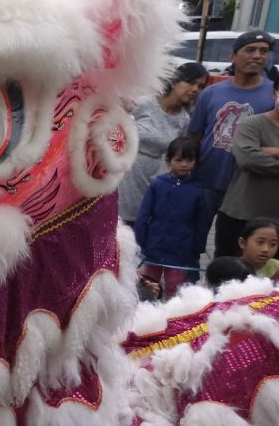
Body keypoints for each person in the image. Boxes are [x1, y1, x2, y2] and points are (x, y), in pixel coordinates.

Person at [187, 30, 277, 256]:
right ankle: (189, 282)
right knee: (193, 240)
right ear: (233, 56)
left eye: (263, 51)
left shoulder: (272, 95)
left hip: (247, 188)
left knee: (236, 248)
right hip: (206, 179)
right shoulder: (211, 93)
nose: (257, 56)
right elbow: (194, 136)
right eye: (250, 50)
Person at [118, 61, 208, 224]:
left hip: (152, 180)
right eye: (191, 82)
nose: (195, 89)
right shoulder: (144, 103)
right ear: (174, 82)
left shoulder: (183, 120)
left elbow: (176, 154)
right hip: (123, 176)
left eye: (200, 86)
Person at [133, 136, 206, 298]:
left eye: (189, 160)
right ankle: (147, 312)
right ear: (168, 160)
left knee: (174, 286)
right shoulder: (157, 185)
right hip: (155, 243)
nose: (184, 164)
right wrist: (141, 241)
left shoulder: (197, 190)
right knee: (149, 283)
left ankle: (170, 315)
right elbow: (144, 215)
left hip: (180, 247)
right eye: (179, 160)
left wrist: (196, 247)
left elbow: (200, 222)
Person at [218, 76, 279, 250]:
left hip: (276, 220)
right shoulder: (251, 124)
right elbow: (248, 159)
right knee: (230, 271)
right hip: (241, 214)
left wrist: (270, 150)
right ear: (275, 93)